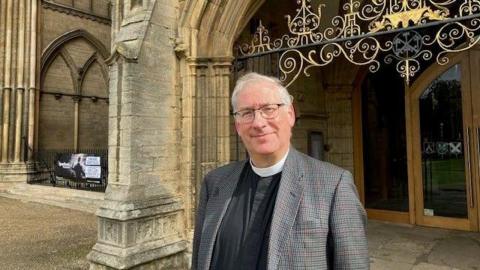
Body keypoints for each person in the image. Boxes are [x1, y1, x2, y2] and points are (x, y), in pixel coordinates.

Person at [192, 72, 368, 270]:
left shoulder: (334, 185)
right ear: (237, 126)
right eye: (247, 112)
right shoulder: (215, 182)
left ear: (290, 114)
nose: (258, 123)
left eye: (269, 109)